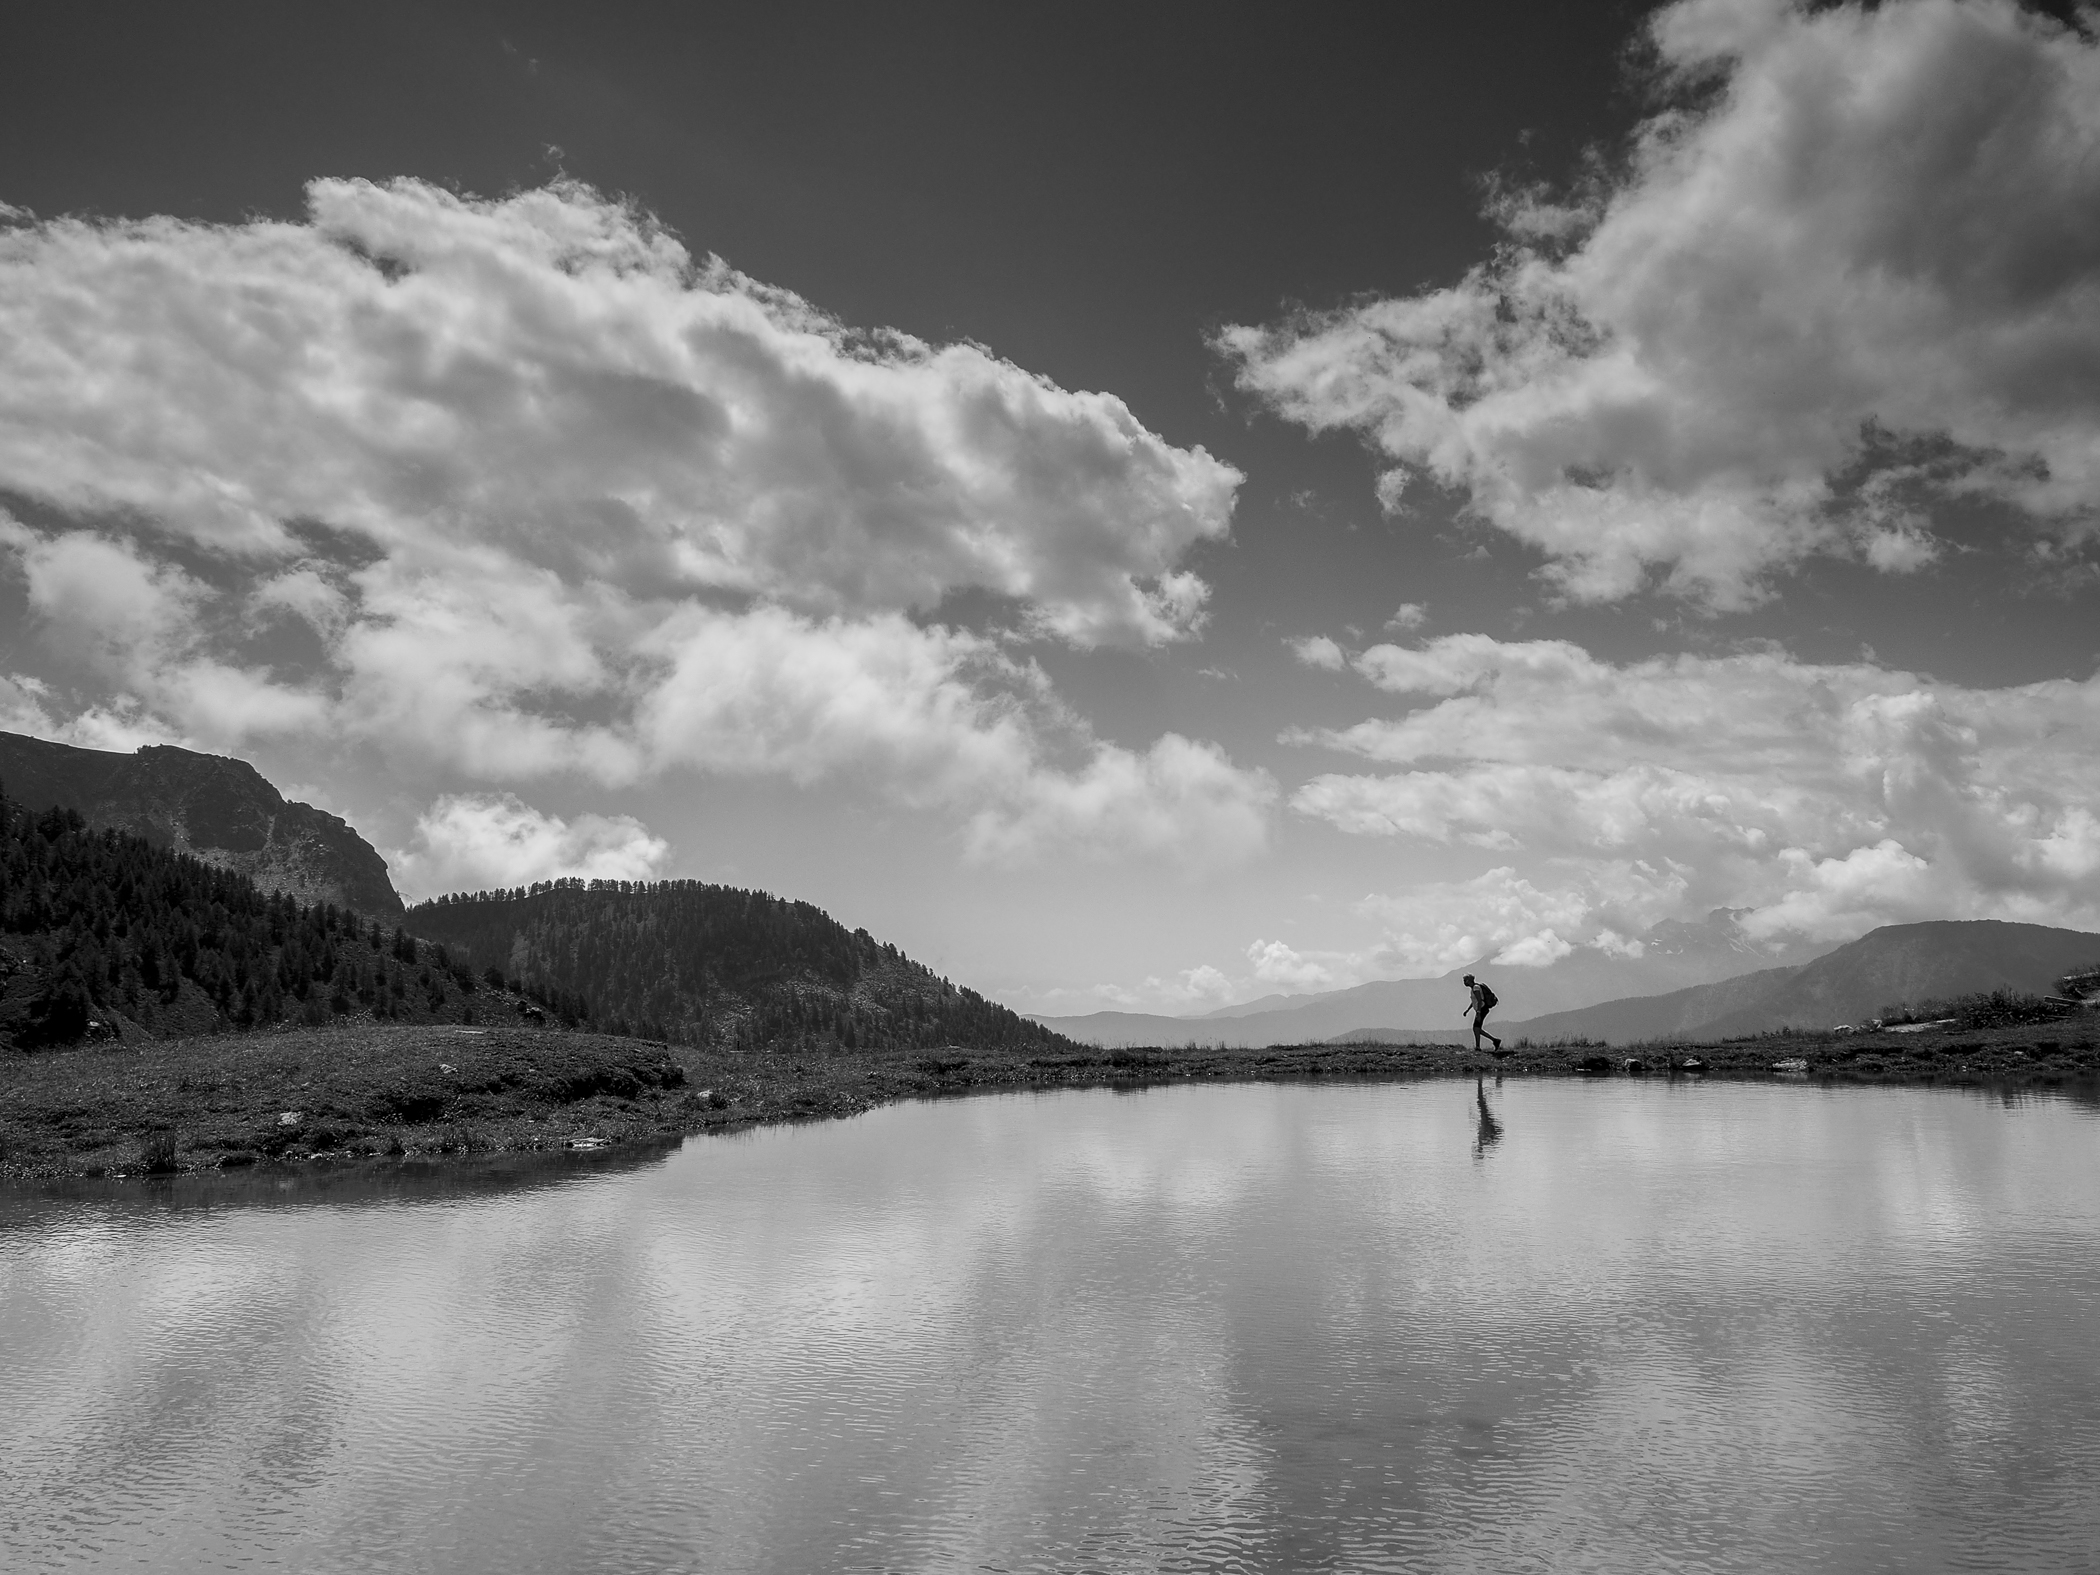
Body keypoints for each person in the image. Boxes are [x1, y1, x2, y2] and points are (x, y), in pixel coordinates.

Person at [1463, 973, 1502, 1052]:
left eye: (1465, 980)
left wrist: (1478, 1013)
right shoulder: (1474, 988)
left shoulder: (1476, 988)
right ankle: (1494, 1041)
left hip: (1482, 1009)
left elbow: (1479, 1001)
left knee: (1476, 1028)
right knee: (1477, 1028)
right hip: (1481, 1009)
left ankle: (1479, 1046)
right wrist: (1467, 1010)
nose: (1464, 982)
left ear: (1470, 980)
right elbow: (1474, 1001)